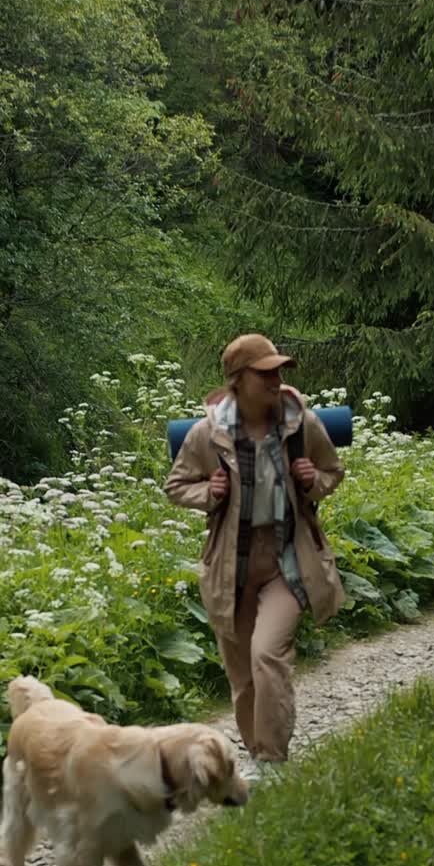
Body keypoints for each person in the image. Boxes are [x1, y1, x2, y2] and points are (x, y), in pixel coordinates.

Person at [165, 333, 345, 777]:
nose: (275, 379)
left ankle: (271, 759)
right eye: (264, 373)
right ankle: (255, 751)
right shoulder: (208, 435)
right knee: (243, 676)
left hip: (288, 560)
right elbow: (176, 486)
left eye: (278, 371)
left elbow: (332, 471)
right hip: (233, 565)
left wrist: (313, 480)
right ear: (237, 380)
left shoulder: (302, 425)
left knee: (267, 656)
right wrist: (209, 492)